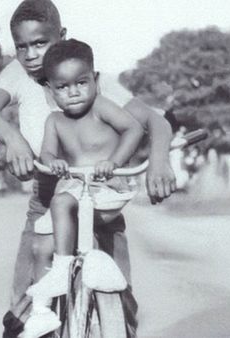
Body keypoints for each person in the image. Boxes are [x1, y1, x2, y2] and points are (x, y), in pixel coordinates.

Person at [0, 1, 176, 337]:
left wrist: (158, 161)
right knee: (25, 305)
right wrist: (13, 140)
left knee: (121, 298)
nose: (31, 55)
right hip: (50, 192)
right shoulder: (17, 73)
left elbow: (154, 121)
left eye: (41, 43)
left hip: (99, 191)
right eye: (21, 47)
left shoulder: (88, 78)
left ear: (62, 36)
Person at [22, 39, 144, 337]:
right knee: (41, 243)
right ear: (50, 90)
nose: (73, 92)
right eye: (62, 87)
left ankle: (63, 271)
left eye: (81, 83)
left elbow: (134, 129)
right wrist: (54, 163)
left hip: (106, 192)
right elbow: (47, 154)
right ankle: (42, 310)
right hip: (75, 190)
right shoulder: (55, 121)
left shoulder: (101, 107)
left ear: (95, 80)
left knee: (61, 203)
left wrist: (114, 162)